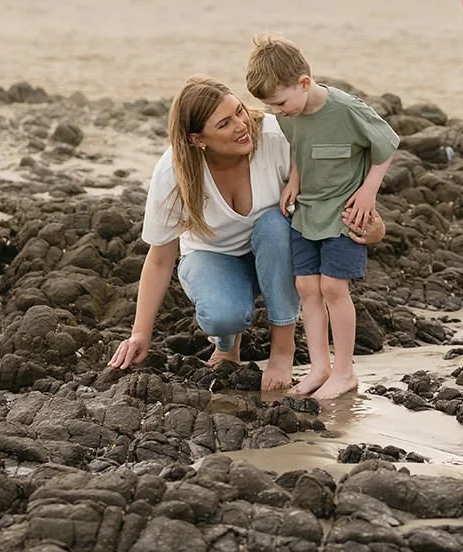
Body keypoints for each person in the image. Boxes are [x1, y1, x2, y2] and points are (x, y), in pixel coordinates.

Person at [106, 74, 383, 391]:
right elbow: (159, 258)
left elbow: (335, 189)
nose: (241, 125)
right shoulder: (174, 172)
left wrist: (374, 228)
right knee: (223, 316)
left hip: (278, 251)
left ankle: (282, 349)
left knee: (273, 224)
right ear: (198, 139)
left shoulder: (276, 137)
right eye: (224, 124)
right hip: (213, 255)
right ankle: (227, 345)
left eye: (239, 111)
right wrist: (140, 334)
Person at [246, 35, 400, 400]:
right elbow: (302, 149)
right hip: (307, 211)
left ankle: (345, 371)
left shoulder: (347, 109)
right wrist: (294, 182)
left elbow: (387, 145)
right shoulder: (290, 115)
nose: (278, 112)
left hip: (345, 212)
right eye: (272, 107)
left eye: (281, 102)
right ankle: (320, 367)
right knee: (306, 288)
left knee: (333, 288)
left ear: (303, 82)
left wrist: (369, 192)